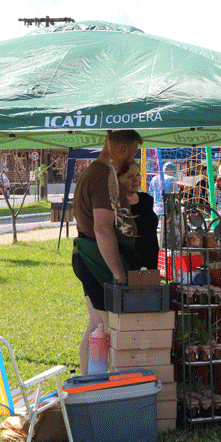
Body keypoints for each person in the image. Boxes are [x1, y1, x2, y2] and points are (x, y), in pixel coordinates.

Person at [73, 130, 142, 374]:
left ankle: (87, 381)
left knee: (97, 324)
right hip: (96, 258)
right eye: (133, 152)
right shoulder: (102, 175)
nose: (133, 158)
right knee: (107, 326)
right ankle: (99, 384)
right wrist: (118, 273)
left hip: (89, 255)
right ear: (122, 151)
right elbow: (102, 228)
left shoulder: (97, 171)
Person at [118, 161, 159, 271]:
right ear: (119, 180)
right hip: (129, 263)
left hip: (151, 261)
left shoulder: (147, 199)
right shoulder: (117, 203)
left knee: (151, 288)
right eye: (130, 177)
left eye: (138, 175)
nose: (136, 180)